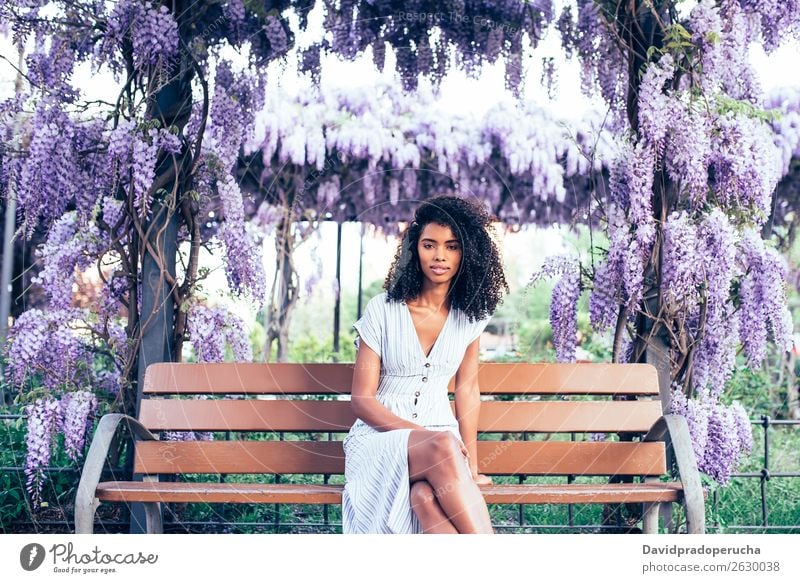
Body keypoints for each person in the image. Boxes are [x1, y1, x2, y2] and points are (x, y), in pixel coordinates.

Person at [342, 195, 509, 534]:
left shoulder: (469, 317)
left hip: (441, 449)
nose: (440, 256)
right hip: (378, 442)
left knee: (424, 499)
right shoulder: (382, 310)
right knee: (444, 444)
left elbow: (467, 391)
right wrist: (428, 437)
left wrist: (471, 469)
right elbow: (362, 401)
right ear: (414, 250)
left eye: (451, 246)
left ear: (468, 253)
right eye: (429, 245)